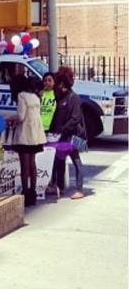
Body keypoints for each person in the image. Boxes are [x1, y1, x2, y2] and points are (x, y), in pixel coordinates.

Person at [7, 73, 47, 207]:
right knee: (32, 164)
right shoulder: (35, 96)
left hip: (25, 134)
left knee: (24, 165)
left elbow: (20, 116)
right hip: (35, 135)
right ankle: (33, 192)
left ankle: (25, 192)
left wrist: (10, 119)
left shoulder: (21, 96)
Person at [49, 70, 87, 199]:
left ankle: (80, 189)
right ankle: (59, 187)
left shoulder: (73, 97)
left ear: (62, 83)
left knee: (76, 161)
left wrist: (63, 129)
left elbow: (75, 118)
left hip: (73, 135)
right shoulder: (61, 97)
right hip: (63, 135)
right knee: (59, 161)